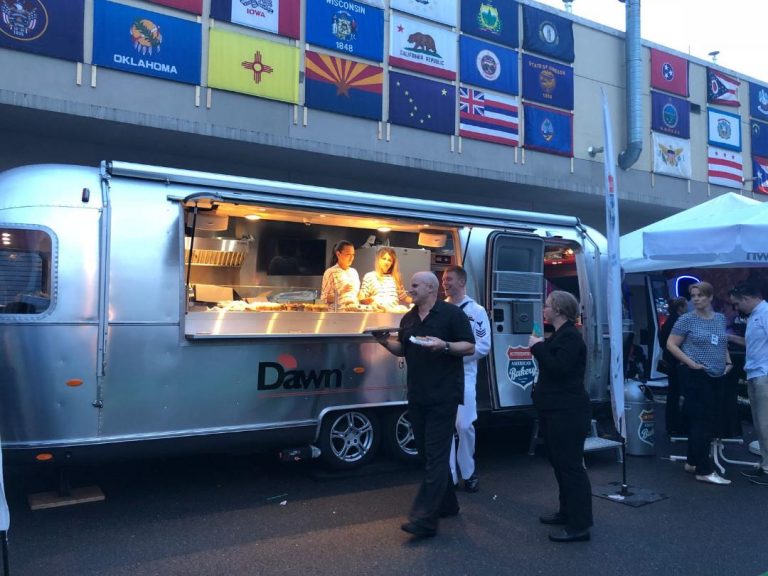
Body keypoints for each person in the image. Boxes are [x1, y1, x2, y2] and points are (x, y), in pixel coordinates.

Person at [374, 271, 475, 538]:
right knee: (426, 453)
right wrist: (384, 341)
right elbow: (403, 349)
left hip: (444, 394)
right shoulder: (408, 318)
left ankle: (424, 519)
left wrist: (444, 345)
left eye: (415, 285)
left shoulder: (452, 314)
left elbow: (469, 346)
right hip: (418, 394)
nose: (411, 289)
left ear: (431, 288)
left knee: (436, 454)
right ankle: (448, 504)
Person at [528, 290, 593, 543]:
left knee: (571, 467)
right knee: (559, 464)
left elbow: (559, 368)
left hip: (568, 411)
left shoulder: (570, 337)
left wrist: (537, 347)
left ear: (558, 310)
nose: (544, 309)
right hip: (555, 409)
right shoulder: (560, 335)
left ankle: (580, 525)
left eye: (547, 305)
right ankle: (566, 511)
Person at [666, 281, 733, 485]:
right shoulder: (686, 320)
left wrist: (728, 361)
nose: (696, 299)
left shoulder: (719, 318)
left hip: (717, 374)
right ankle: (704, 469)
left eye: (700, 295)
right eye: (693, 296)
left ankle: (692, 462)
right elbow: (671, 344)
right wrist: (691, 363)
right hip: (696, 375)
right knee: (701, 421)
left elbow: (721, 342)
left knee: (706, 420)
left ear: (710, 297)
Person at [442, 265, 491, 493]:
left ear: (462, 282)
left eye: (449, 279)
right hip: (441, 377)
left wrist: (453, 355)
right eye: (444, 279)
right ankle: (450, 476)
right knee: (445, 427)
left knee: (464, 425)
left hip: (465, 376)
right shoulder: (439, 310)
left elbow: (483, 346)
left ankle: (469, 472)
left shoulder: (476, 311)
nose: (445, 283)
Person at [729, 281, 768, 485]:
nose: (736, 308)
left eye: (736, 304)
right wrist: (730, 337)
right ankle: (765, 465)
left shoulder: (766, 313)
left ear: (746, 299)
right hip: (755, 373)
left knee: (765, 423)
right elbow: (752, 343)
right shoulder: (754, 316)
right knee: (760, 424)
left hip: (764, 374)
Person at [659, 297, 689, 436]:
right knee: (678, 393)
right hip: (677, 361)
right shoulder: (678, 322)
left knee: (673, 393)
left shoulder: (668, 321)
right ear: (681, 307)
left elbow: (662, 341)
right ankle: (677, 424)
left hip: (671, 360)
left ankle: (672, 424)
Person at [320, 240, 360, 309]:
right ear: (338, 254)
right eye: (348, 254)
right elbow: (324, 299)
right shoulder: (330, 272)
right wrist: (340, 291)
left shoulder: (354, 272)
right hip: (338, 312)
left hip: (353, 311)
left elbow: (356, 296)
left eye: (353, 255)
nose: (351, 258)